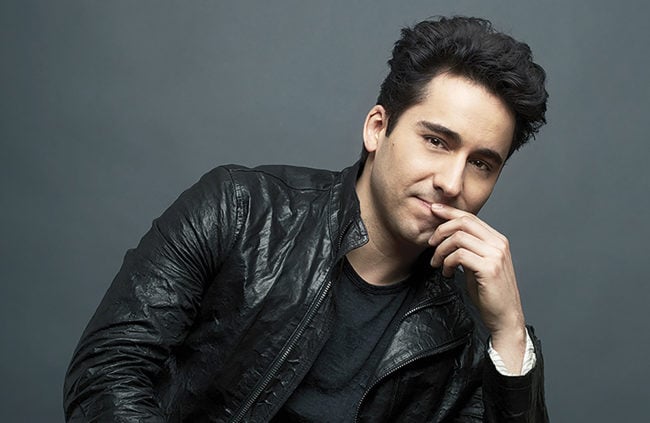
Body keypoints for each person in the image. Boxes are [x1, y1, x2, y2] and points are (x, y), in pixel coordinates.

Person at [64, 16, 549, 422]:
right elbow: (106, 374)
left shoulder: (472, 331)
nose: (452, 182)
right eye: (436, 141)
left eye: (481, 163)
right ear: (377, 128)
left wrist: (510, 333)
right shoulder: (240, 208)